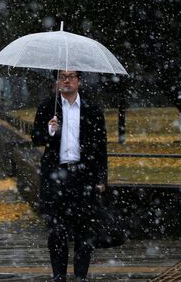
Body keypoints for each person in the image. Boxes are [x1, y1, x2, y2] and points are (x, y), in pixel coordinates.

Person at [32, 70, 107, 282]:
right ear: (57, 81)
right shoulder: (48, 106)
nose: (67, 80)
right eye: (62, 76)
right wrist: (49, 130)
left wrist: (101, 178)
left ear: (79, 81)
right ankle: (58, 275)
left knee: (84, 229)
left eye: (71, 76)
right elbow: (35, 139)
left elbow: (101, 146)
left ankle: (81, 275)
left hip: (83, 175)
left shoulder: (91, 109)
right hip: (56, 176)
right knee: (57, 230)